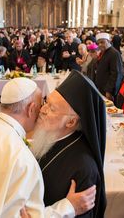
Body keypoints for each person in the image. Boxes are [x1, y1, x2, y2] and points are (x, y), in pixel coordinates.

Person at [0, 77, 95, 218]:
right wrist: (68, 207)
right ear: (31, 109)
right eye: (43, 104)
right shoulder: (22, 159)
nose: (42, 110)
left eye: (50, 107)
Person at [31, 70, 107, 217]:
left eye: (52, 108)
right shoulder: (49, 137)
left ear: (71, 122)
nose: (42, 110)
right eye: (46, 102)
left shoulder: (84, 169)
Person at [95, 32, 124, 101]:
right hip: (101, 87)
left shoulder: (114, 54)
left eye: (102, 42)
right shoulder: (103, 52)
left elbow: (116, 74)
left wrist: (109, 91)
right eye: (98, 43)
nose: (100, 45)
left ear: (108, 41)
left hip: (107, 89)